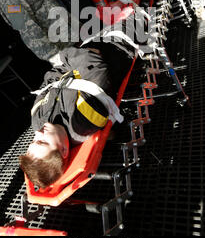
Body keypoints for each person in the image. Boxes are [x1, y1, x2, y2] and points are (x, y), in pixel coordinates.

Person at [19, 42, 135, 188]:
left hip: (80, 53)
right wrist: (66, 55)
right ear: (64, 150)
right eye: (42, 142)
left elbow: (46, 84)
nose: (38, 133)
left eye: (33, 141)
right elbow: (94, 66)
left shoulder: (37, 120)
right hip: (116, 45)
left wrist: (65, 62)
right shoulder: (83, 123)